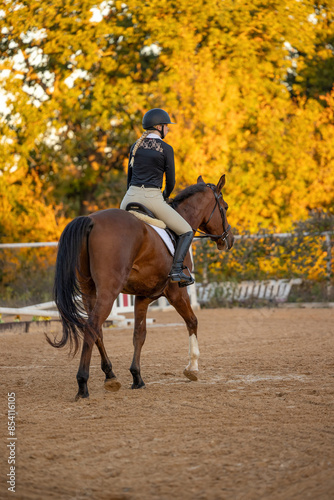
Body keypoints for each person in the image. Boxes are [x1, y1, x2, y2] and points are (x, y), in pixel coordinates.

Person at [120, 108, 194, 286]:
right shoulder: (166, 149)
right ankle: (177, 270)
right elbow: (171, 181)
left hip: (128, 198)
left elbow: (129, 179)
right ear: (159, 127)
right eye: (166, 126)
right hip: (152, 198)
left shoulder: (135, 146)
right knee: (186, 231)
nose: (168, 129)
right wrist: (165, 197)